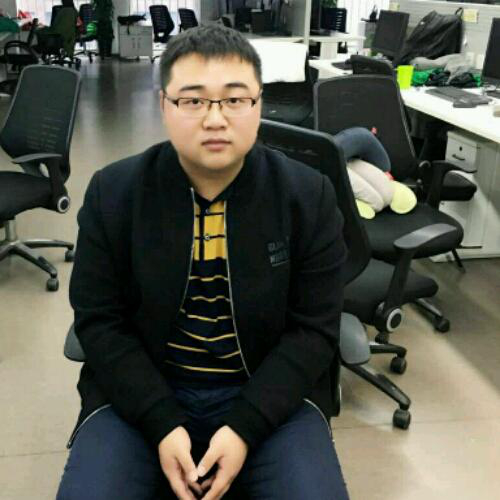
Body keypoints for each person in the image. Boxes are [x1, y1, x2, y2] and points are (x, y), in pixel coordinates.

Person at [57, 25, 349, 500]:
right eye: (193, 100)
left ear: (259, 104)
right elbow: (99, 321)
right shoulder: (115, 193)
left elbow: (315, 330)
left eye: (235, 99)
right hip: (143, 389)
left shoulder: (306, 196)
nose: (215, 119)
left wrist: (246, 425)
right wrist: (160, 420)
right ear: (164, 106)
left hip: (268, 391)